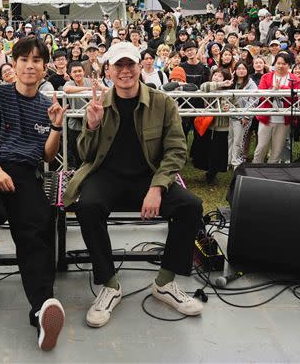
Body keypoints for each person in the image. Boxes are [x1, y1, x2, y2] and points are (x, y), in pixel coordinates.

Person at [64, 41, 204, 328]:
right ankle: (110, 284)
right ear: (109, 71)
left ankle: (165, 283)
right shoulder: (98, 103)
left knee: (191, 206)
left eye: (131, 64)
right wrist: (90, 127)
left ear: (141, 67)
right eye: (119, 66)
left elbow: (177, 151)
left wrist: (157, 188)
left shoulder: (162, 103)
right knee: (87, 207)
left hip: (148, 178)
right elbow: (85, 156)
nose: (125, 71)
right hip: (107, 176)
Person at [0, 36, 66, 351]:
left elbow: (47, 156)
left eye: (36, 60)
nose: (30, 65)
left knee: (35, 226)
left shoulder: (48, 106)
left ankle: (42, 307)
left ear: (44, 68)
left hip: (26, 173)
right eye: (24, 59)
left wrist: (57, 127)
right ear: (14, 64)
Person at [253, 52, 300, 164]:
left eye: (284, 63)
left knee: (277, 150)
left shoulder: (294, 79)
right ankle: (255, 170)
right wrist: (272, 89)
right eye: (278, 63)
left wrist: (282, 89)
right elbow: (261, 94)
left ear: (289, 65)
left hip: (283, 121)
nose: (280, 66)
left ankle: (270, 172)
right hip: (266, 118)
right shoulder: (266, 77)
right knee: (261, 147)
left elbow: (296, 99)